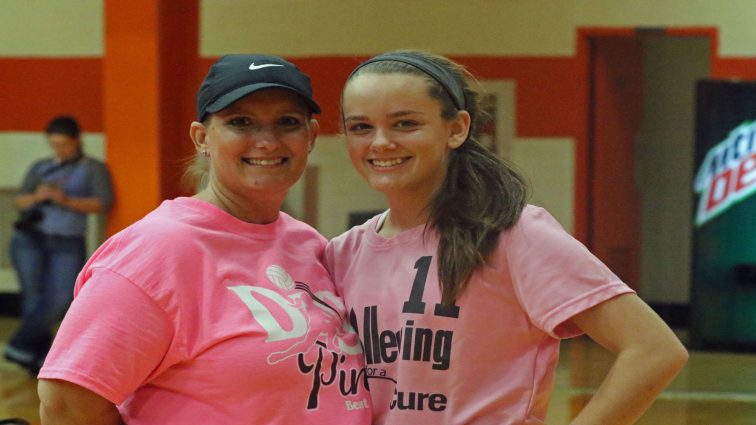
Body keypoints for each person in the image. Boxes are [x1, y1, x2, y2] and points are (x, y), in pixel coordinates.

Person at [326, 50, 689, 425]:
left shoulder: (514, 234)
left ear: (456, 129)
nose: (380, 142)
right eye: (361, 127)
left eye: (404, 124)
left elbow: (654, 349)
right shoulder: (342, 253)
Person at [36, 54, 371, 424]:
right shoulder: (159, 250)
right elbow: (66, 403)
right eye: (240, 122)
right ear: (202, 138)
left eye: (287, 122)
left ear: (309, 137)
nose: (267, 140)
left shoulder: (306, 242)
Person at [4, 116, 113, 375]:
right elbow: (20, 201)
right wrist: (38, 196)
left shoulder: (92, 167)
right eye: (54, 145)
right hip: (30, 239)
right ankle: (38, 360)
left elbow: (102, 203)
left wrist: (64, 200)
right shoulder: (41, 166)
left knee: (61, 298)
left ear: (76, 141)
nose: (59, 150)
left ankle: (18, 345)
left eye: (64, 144)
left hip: (66, 240)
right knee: (33, 299)